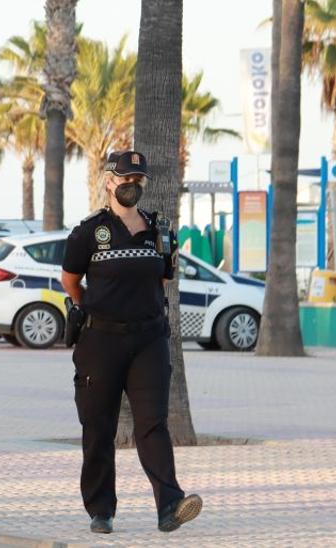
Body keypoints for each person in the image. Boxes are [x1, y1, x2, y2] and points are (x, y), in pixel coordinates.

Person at [60, 150, 202, 535]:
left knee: (152, 423)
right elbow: (70, 280)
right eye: (125, 179)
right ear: (109, 182)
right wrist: (91, 307)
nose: (131, 186)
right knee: (98, 426)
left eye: (138, 180)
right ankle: (100, 510)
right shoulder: (89, 231)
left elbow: (163, 278)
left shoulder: (159, 230)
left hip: (148, 340)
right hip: (100, 340)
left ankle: (170, 504)